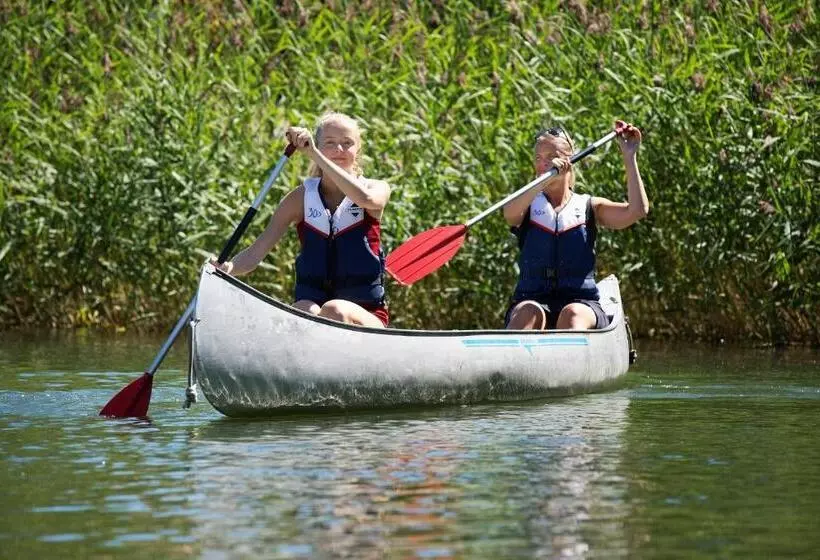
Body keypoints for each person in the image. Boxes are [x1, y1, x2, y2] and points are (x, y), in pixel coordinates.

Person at [214, 112, 391, 328]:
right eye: (330, 143)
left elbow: (365, 199)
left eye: (347, 143)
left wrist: (315, 155)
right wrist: (227, 268)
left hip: (366, 315)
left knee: (334, 309)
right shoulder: (300, 199)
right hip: (315, 309)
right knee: (303, 309)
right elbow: (255, 253)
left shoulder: (376, 188)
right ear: (318, 145)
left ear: (358, 149)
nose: (339, 150)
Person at [503, 120, 648, 331]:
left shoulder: (589, 206)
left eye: (551, 157)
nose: (543, 164)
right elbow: (509, 215)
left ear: (568, 160)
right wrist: (543, 181)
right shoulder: (526, 204)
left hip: (582, 304)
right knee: (528, 313)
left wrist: (629, 156)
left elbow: (637, 211)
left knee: (572, 314)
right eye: (538, 158)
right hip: (532, 300)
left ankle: (568, 357)